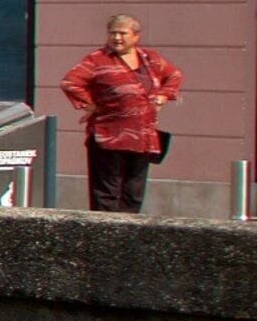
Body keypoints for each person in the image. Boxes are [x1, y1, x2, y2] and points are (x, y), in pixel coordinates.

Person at [61, 14, 184, 215]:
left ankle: (128, 236)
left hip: (143, 137)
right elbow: (70, 83)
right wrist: (90, 104)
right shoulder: (97, 60)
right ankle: (106, 236)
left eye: (122, 33)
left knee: (133, 193)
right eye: (113, 33)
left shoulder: (150, 58)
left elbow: (174, 76)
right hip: (108, 137)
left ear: (136, 36)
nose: (117, 38)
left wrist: (163, 96)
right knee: (107, 193)